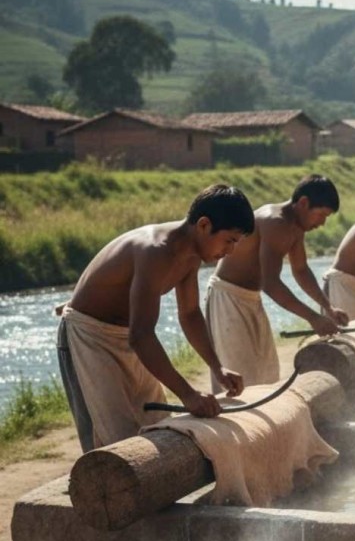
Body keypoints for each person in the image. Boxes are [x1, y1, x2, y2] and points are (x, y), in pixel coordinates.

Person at [57, 184, 255, 452]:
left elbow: (190, 313)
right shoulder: (155, 250)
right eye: (230, 240)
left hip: (127, 337)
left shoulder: (192, 255)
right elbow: (142, 335)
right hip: (89, 338)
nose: (230, 251)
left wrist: (217, 367)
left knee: (155, 424)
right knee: (114, 441)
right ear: (205, 225)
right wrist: (187, 394)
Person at [205, 174, 345, 390]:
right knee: (240, 376)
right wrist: (313, 318)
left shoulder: (296, 228)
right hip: (228, 297)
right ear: (304, 203)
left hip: (251, 299)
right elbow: (270, 283)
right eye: (320, 214)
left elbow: (301, 270)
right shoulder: (275, 221)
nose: (322, 223)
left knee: (266, 374)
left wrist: (328, 307)